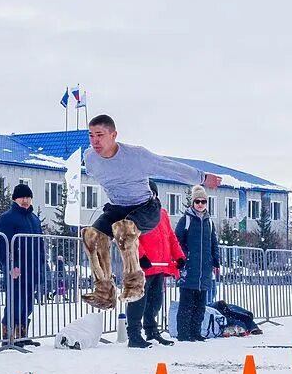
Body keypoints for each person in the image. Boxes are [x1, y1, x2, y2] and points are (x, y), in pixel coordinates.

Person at [81, 114, 222, 309]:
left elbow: (169, 167)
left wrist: (202, 177)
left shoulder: (136, 156)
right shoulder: (89, 158)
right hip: (117, 207)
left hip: (146, 207)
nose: (95, 141)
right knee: (91, 235)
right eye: (91, 135)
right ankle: (104, 292)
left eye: (100, 135)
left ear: (113, 135)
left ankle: (134, 285)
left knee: (124, 229)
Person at [127, 180, 186, 348]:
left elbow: (170, 237)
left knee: (155, 302)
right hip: (142, 267)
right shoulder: (134, 213)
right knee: (138, 301)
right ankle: (134, 335)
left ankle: (152, 331)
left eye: (151, 193)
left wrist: (179, 256)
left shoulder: (163, 213)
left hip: (159, 265)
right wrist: (141, 256)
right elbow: (129, 237)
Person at [0, 183, 44, 342]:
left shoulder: (34, 219)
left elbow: (40, 245)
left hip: (32, 268)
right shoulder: (6, 218)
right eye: (22, 197)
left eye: (28, 197)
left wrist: (42, 265)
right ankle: (8, 336)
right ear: (15, 199)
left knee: (28, 304)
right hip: (16, 269)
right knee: (15, 302)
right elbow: (2, 244)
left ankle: (22, 335)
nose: (25, 200)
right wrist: (9, 265)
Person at [174, 184, 221, 342]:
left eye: (203, 201)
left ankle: (195, 332)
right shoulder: (185, 220)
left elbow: (214, 242)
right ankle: (183, 334)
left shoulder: (210, 222)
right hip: (189, 268)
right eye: (197, 201)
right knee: (186, 303)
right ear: (192, 203)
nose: (200, 204)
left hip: (204, 270)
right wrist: (183, 258)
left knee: (200, 304)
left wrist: (216, 260)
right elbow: (177, 241)